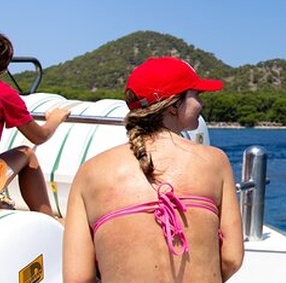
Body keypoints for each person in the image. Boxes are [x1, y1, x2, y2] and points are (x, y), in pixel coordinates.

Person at [63, 56, 244, 283]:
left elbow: (77, 278)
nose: (202, 104)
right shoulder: (214, 162)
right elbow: (231, 258)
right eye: (196, 95)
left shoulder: (89, 173)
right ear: (174, 105)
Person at [0, 33, 70, 216]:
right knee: (27, 153)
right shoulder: (5, 95)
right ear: (4, 68)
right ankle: (48, 221)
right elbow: (39, 136)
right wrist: (55, 119)